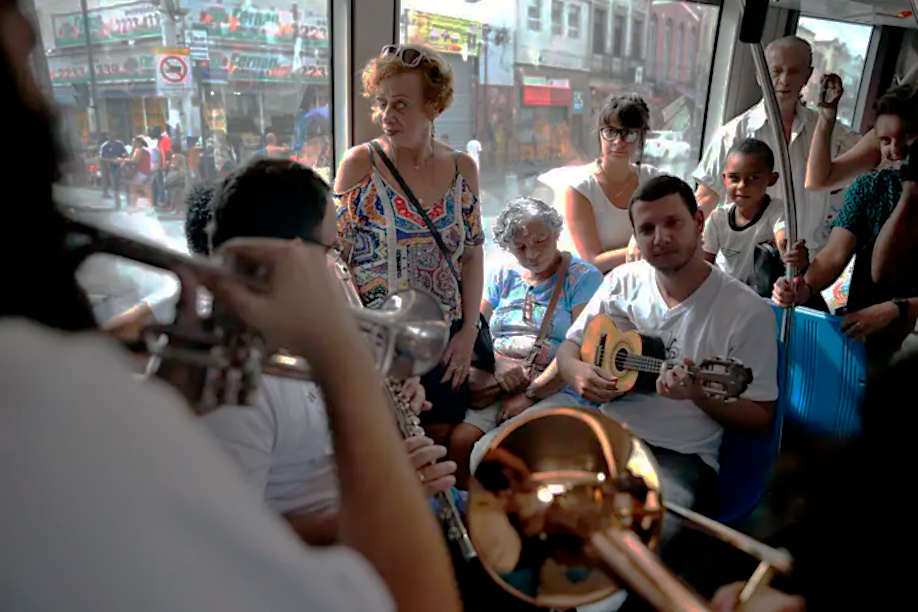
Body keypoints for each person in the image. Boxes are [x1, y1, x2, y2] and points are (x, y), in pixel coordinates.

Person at [0, 3, 460, 609]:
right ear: (289, 255)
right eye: (25, 66)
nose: (342, 262)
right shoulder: (39, 400)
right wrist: (364, 412)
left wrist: (374, 404)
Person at [186, 158, 457, 546]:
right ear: (295, 256)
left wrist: (383, 406)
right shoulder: (232, 383)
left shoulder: (311, 333)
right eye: (330, 249)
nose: (337, 264)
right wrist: (389, 501)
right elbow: (231, 541)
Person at [556, 175, 779, 544]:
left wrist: (698, 393)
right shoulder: (621, 281)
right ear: (636, 237)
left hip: (681, 458)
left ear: (698, 222)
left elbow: (759, 418)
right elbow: (569, 347)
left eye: (672, 223)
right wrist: (577, 371)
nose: (660, 238)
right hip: (606, 438)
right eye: (647, 229)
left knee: (633, 532)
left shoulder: (747, 312)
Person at [335, 43, 486, 447]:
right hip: (379, 344)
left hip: (445, 339)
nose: (387, 115)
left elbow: (472, 253)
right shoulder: (360, 165)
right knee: (386, 448)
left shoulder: (462, 169)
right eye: (382, 103)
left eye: (401, 104)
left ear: (433, 106)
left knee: (440, 441)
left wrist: (468, 333)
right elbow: (335, 263)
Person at [449, 197, 603, 488]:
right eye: (520, 247)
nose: (531, 254)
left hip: (554, 385)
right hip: (501, 382)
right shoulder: (503, 275)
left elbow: (583, 346)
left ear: (556, 234)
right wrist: (487, 371)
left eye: (540, 241)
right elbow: (478, 330)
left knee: (496, 451)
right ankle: (468, 510)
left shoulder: (582, 278)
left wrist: (531, 394)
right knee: (460, 441)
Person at [773, 84, 918, 371]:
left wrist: (897, 310)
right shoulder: (869, 188)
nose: (895, 150)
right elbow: (834, 254)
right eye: (885, 140)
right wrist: (804, 288)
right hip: (865, 338)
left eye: (909, 136)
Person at [694, 36, 861, 258]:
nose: (784, 80)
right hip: (743, 261)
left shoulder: (829, 130)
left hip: (807, 260)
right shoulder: (733, 134)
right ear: (760, 75)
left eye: (794, 71)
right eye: (776, 71)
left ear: (807, 75)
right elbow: (705, 198)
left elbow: (875, 156)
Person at [702, 138, 814, 301]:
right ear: (724, 178)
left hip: (765, 298)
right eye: (734, 178)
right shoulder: (717, 218)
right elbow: (705, 263)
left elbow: (783, 235)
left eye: (753, 178)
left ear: (772, 179)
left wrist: (789, 250)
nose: (742, 185)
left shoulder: (777, 211)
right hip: (727, 296)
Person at [560, 93, 661, 273]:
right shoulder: (580, 188)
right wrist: (639, 248)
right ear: (600, 134)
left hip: (647, 277)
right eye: (610, 132)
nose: (618, 142)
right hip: (599, 283)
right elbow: (591, 261)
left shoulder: (652, 179)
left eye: (628, 133)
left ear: (641, 137)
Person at [99, 131, 128, 207]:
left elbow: (125, 153)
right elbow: (102, 158)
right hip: (111, 166)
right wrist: (110, 160)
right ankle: (117, 202)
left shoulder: (120, 144)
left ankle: (128, 201)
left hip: (121, 165)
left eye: (114, 136)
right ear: (107, 137)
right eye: (110, 136)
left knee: (126, 182)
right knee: (115, 184)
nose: (112, 137)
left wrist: (122, 158)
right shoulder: (104, 146)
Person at [124, 135, 152, 208]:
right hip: (147, 173)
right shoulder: (146, 151)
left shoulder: (138, 150)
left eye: (134, 142)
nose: (133, 144)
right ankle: (148, 206)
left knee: (134, 190)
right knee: (146, 191)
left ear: (139, 143)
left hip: (140, 173)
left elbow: (134, 161)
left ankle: (133, 206)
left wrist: (123, 161)